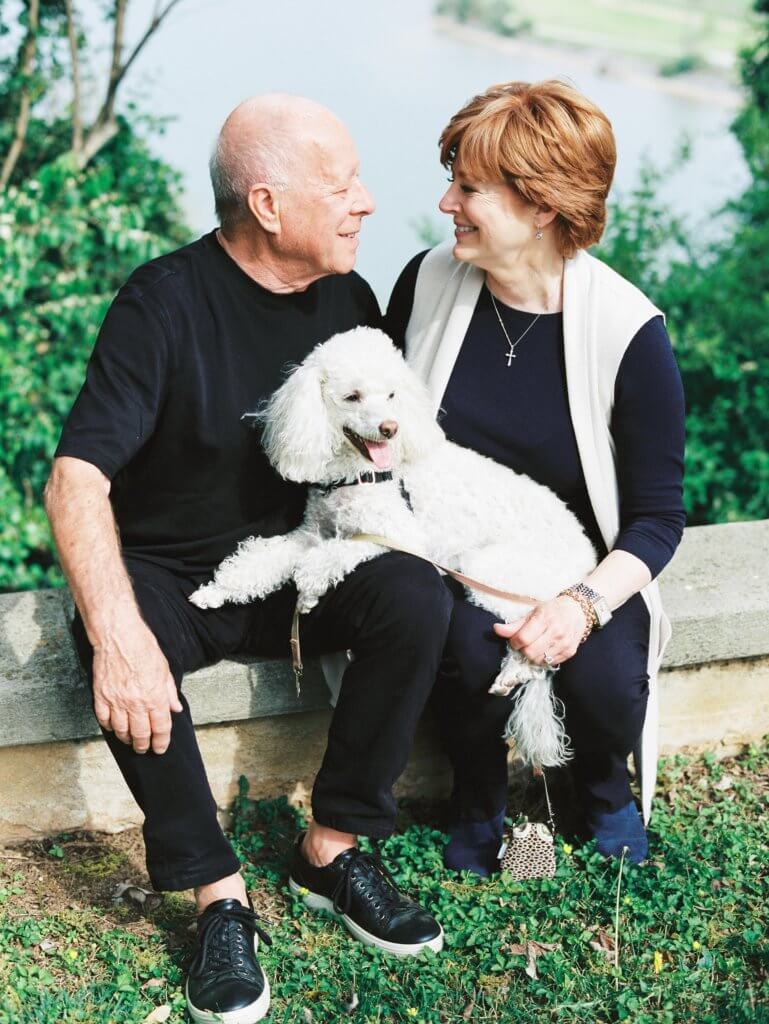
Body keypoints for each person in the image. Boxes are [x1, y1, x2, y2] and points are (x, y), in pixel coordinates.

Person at [45, 94, 449, 1024]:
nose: (365, 202)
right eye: (341, 183)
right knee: (108, 622)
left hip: (298, 563)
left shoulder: (347, 299)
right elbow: (76, 476)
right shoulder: (162, 300)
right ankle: (219, 896)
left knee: (412, 596)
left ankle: (333, 849)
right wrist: (117, 632)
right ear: (267, 205)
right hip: (178, 580)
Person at [384, 79, 686, 876]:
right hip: (453, 557)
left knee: (603, 678)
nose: (445, 201)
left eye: (468, 186)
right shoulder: (423, 284)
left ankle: (600, 789)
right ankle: (477, 796)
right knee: (461, 645)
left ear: (542, 206)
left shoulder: (630, 333)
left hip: (583, 569)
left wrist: (580, 607)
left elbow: (657, 518)